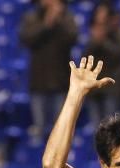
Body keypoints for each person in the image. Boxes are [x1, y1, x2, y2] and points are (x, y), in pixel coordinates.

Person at [19, 0, 78, 141]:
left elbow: (73, 38)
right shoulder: (32, 17)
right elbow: (26, 38)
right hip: (38, 82)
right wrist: (46, 24)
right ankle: (38, 161)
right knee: (39, 129)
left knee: (61, 129)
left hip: (60, 81)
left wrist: (58, 21)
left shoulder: (66, 17)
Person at [83, 1, 120, 127]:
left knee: (112, 127)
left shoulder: (118, 33)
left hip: (112, 86)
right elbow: (85, 57)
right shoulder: (92, 34)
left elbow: (119, 54)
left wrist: (103, 41)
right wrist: (95, 40)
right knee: (96, 128)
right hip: (94, 87)